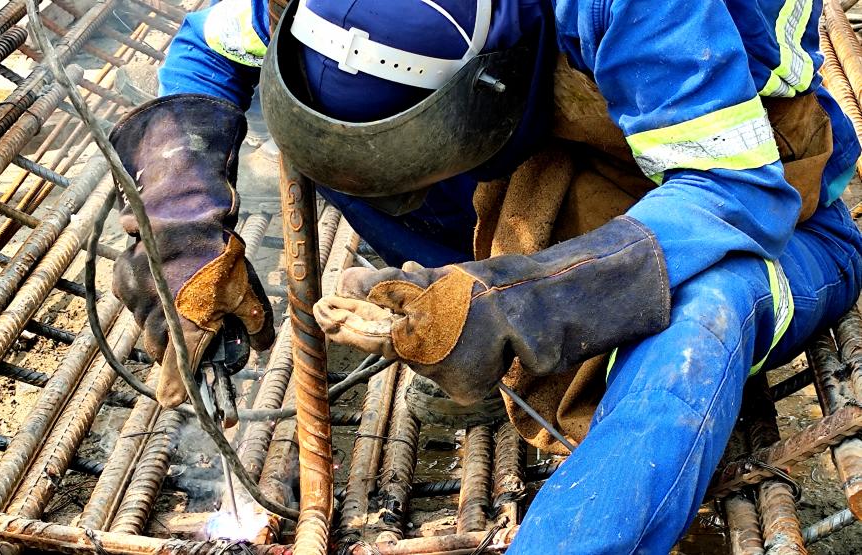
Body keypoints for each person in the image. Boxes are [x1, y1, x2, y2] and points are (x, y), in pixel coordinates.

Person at [108, 0, 862, 552]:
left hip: (756, 217)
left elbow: (737, 197)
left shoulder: (644, 8)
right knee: (334, 148)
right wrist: (178, 224)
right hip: (551, 172)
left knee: (708, 307)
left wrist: (519, 303)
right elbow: (207, 48)